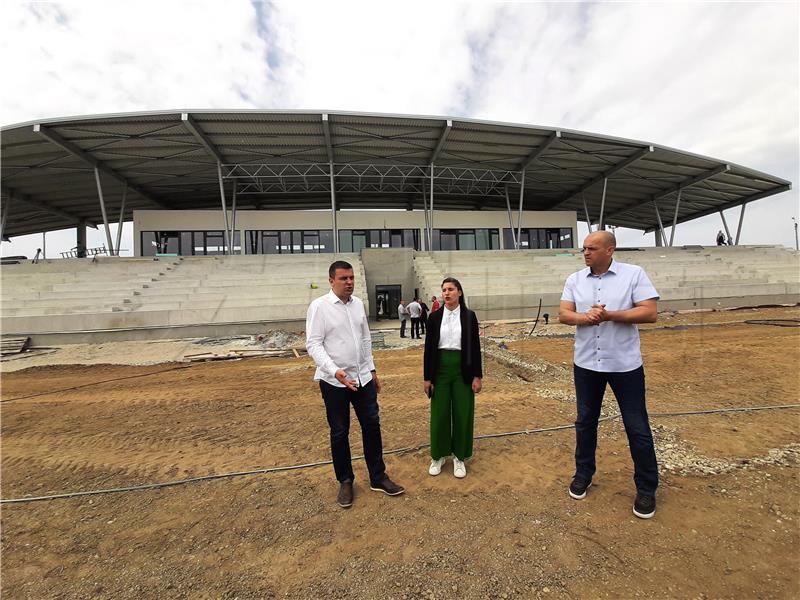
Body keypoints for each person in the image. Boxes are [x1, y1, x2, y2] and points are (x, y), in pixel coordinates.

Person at [559, 231, 660, 519]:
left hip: (624, 365)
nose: (586, 252)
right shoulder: (575, 280)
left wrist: (610, 315)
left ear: (610, 250)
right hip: (587, 364)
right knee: (585, 422)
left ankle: (646, 487)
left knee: (637, 426)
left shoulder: (633, 274)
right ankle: (583, 474)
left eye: (592, 248)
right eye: (584, 248)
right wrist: (586, 317)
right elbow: (564, 314)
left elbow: (650, 312)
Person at [306, 260, 405, 508]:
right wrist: (335, 371)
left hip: (363, 378)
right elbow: (314, 344)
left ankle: (378, 476)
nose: (349, 282)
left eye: (351, 278)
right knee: (340, 432)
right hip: (334, 382)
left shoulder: (358, 304)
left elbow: (365, 339)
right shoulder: (319, 307)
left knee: (372, 425)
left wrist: (372, 370)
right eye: (343, 278)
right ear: (331, 281)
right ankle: (346, 481)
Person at [423, 277, 483, 479]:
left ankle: (459, 456)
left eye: (450, 289)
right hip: (439, 369)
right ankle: (438, 456)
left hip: (463, 369)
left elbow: (475, 347)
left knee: (462, 413)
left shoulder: (469, 316)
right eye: (444, 290)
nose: (446, 293)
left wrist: (477, 375)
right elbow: (428, 349)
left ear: (459, 292)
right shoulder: (434, 317)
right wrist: (427, 377)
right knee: (439, 414)